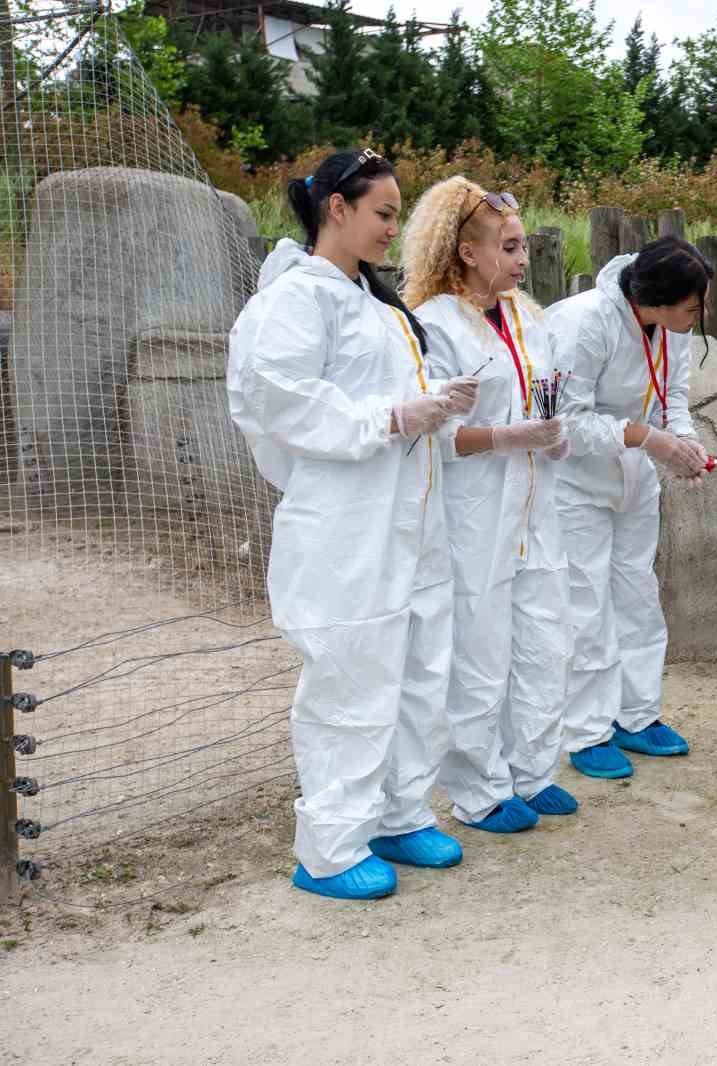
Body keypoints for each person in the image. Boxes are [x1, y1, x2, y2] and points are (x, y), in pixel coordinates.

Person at [228, 148, 477, 901]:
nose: (392, 230)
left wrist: (432, 398)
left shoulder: (373, 304)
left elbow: (379, 393)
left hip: (409, 517)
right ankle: (331, 848)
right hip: (347, 525)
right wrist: (393, 416)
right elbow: (280, 400)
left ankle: (399, 811)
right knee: (351, 680)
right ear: (336, 208)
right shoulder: (297, 299)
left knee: (417, 669)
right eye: (383, 213)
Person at [403, 177, 581, 832]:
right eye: (508, 247)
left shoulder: (528, 318)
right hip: (475, 512)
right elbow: (435, 435)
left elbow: (547, 394)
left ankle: (532, 771)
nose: (521, 259)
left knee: (543, 640)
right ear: (467, 251)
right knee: (479, 652)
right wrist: (509, 436)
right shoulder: (436, 325)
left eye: (523, 245)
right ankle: (479, 790)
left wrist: (551, 434)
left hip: (535, 506)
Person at [544, 237, 713, 779]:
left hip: (635, 476)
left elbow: (674, 397)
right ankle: (587, 731)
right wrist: (648, 438)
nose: (699, 314)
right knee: (585, 603)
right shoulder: (584, 323)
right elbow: (562, 421)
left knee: (638, 594)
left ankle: (636, 715)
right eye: (692, 305)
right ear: (659, 298)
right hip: (575, 482)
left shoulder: (671, 329)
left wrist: (684, 447)